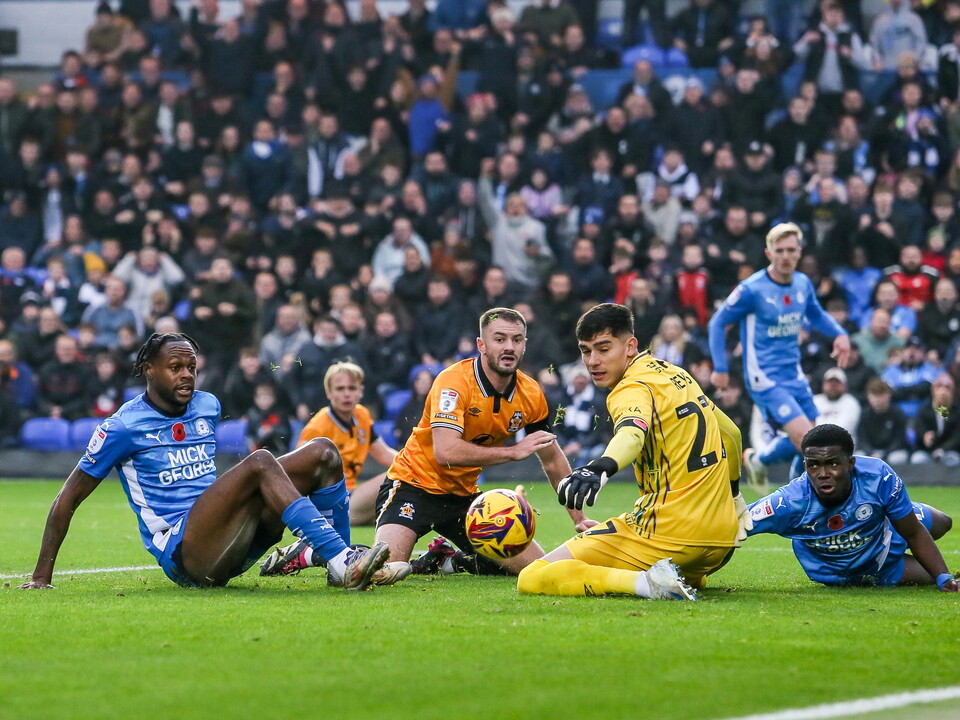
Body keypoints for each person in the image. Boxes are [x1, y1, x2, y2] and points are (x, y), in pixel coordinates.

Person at [19, 332, 400, 592]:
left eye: (191, 367)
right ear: (149, 370)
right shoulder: (122, 427)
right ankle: (337, 556)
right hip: (185, 554)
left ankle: (343, 564)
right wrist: (41, 575)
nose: (186, 375)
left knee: (324, 451)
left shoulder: (207, 405)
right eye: (175, 367)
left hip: (231, 538)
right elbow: (68, 497)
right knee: (261, 461)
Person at [518, 303, 747, 601]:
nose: (593, 361)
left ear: (630, 346)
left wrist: (600, 467)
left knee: (533, 576)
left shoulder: (630, 388)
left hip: (669, 535)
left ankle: (647, 584)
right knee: (665, 553)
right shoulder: (677, 375)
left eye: (603, 348)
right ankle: (676, 577)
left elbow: (631, 434)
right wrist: (734, 498)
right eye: (586, 351)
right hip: (720, 542)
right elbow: (731, 434)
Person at [374, 307, 593, 576]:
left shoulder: (531, 392)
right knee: (385, 569)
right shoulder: (453, 381)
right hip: (413, 484)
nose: (509, 347)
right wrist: (513, 452)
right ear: (482, 345)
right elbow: (445, 451)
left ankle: (449, 559)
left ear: (525, 345)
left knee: (537, 569)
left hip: (464, 499)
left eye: (516, 339)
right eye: (499, 339)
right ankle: (335, 557)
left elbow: (552, 458)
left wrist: (578, 517)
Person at [709, 223, 851, 489]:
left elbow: (816, 314)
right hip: (763, 376)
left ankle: (758, 460)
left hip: (793, 373)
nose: (786, 256)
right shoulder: (752, 289)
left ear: (799, 252)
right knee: (809, 441)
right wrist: (720, 367)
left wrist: (840, 334)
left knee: (810, 441)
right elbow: (717, 323)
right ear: (768, 253)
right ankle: (800, 500)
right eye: (780, 250)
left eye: (791, 250)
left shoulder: (802, 283)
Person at [746, 424, 957, 592]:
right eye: (814, 465)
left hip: (880, 539)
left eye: (833, 463)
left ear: (851, 463)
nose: (823, 473)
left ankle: (893, 511)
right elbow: (735, 522)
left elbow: (912, 531)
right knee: (931, 577)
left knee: (943, 522)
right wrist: (711, 566)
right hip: (839, 569)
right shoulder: (788, 502)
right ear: (805, 466)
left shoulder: (878, 476)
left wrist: (943, 577)